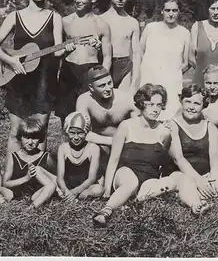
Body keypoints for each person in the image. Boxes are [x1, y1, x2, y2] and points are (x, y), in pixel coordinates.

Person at [0, 0, 71, 153]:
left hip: (44, 81)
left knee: (40, 132)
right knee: (16, 131)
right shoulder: (15, 16)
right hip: (19, 78)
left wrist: (66, 49)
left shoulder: (55, 18)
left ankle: (38, 176)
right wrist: (10, 61)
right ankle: (12, 176)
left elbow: (57, 51)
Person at [92, 84, 176, 227]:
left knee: (170, 183)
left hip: (149, 178)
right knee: (131, 183)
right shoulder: (126, 126)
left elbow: (163, 161)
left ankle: (134, 201)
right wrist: (107, 190)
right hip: (125, 173)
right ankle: (106, 211)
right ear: (141, 104)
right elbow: (114, 159)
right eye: (150, 104)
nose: (155, 109)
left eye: (159, 105)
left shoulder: (164, 131)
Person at [166, 84, 218, 214]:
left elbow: (216, 157)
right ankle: (196, 204)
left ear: (203, 105)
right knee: (184, 181)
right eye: (187, 101)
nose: (191, 107)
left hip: (205, 176)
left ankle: (190, 194)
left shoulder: (209, 126)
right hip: (181, 173)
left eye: (196, 103)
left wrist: (213, 177)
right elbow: (178, 159)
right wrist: (198, 180)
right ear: (181, 102)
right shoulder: (173, 125)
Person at [56, 0, 112, 124]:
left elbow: (107, 57)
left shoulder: (102, 25)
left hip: (90, 70)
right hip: (68, 69)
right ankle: (66, 145)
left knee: (88, 114)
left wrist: (102, 78)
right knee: (66, 114)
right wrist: (64, 48)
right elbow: (56, 50)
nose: (77, 0)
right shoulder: (66, 21)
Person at [139, 0, 190, 120]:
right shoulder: (150, 28)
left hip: (171, 83)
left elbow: (186, 62)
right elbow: (139, 51)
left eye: (174, 10)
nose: (171, 14)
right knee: (147, 112)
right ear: (162, 11)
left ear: (179, 12)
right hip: (149, 79)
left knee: (169, 116)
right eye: (167, 10)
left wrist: (173, 74)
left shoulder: (184, 33)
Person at [75, 65, 139, 154]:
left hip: (125, 146)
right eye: (102, 86)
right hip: (98, 145)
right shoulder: (84, 101)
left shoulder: (126, 99)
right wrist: (113, 141)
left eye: (109, 83)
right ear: (91, 88)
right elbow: (83, 133)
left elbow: (139, 129)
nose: (108, 88)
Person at [2, 117, 57, 208]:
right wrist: (26, 178)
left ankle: (32, 208)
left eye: (34, 138)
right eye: (26, 138)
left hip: (40, 194)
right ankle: (31, 207)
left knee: (51, 186)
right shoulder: (14, 157)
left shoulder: (45, 157)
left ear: (41, 139)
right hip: (18, 196)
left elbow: (56, 177)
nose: (30, 142)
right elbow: (5, 183)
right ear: (20, 137)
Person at [100, 0, 141, 92]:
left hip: (125, 67)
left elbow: (137, 53)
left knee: (122, 102)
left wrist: (135, 81)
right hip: (105, 64)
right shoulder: (101, 20)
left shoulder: (132, 22)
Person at [57, 112, 104, 201]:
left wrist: (75, 191)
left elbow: (91, 178)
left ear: (86, 132)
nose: (76, 137)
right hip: (67, 185)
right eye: (72, 133)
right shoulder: (63, 148)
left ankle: (74, 196)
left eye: (80, 133)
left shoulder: (93, 148)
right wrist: (66, 191)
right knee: (52, 181)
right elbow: (60, 177)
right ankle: (70, 196)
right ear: (67, 131)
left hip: (85, 187)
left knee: (99, 189)